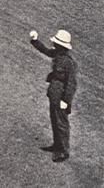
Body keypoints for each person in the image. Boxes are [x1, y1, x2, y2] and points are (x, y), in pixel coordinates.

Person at [28, 29, 77, 162]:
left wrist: (66, 100)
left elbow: (71, 84)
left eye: (56, 43)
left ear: (61, 46)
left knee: (61, 123)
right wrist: (35, 41)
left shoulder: (69, 63)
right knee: (55, 121)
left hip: (61, 96)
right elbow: (45, 50)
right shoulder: (58, 55)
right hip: (54, 94)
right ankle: (56, 145)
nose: (54, 45)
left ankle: (63, 151)